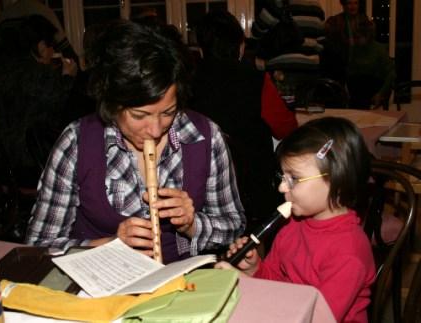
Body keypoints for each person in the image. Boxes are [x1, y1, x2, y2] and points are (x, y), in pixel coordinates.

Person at [25, 20, 246, 264]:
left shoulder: (205, 136)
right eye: (139, 115)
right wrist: (108, 246)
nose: (155, 129)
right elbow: (39, 245)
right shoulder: (77, 142)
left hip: (185, 281)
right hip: (102, 284)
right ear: (112, 104)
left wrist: (193, 224)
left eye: (168, 112)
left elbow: (234, 226)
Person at [217, 117, 376, 322]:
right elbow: (276, 280)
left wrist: (244, 283)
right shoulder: (293, 223)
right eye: (283, 177)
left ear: (337, 178)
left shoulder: (349, 252)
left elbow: (314, 317)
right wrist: (255, 269)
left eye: (294, 179)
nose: (282, 187)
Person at [190, 9, 297, 231]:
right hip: (254, 192)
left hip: (200, 190)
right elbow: (285, 128)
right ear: (240, 46)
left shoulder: (185, 84)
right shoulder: (255, 80)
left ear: (201, 49)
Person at [0, 15, 77, 188]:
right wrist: (68, 77)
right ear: (41, 46)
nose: (53, 51)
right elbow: (63, 112)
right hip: (34, 164)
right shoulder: (42, 75)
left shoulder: (2, 73)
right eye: (51, 46)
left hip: (3, 162)